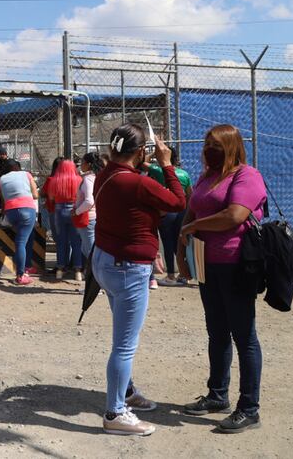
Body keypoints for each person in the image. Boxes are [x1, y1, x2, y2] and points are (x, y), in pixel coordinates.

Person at [92, 124, 185, 435]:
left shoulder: (106, 174)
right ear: (141, 151)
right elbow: (177, 201)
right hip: (128, 267)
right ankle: (115, 413)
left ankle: (126, 391)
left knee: (121, 335)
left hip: (106, 261)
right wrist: (167, 164)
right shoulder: (137, 183)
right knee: (124, 346)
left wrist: (145, 165)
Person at [178, 124, 268, 433]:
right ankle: (217, 396)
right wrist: (182, 249)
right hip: (206, 263)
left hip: (235, 265)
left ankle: (249, 407)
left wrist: (192, 227)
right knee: (216, 332)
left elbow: (234, 215)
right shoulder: (205, 177)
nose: (207, 150)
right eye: (206, 144)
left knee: (244, 336)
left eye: (214, 145)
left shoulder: (247, 176)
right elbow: (191, 211)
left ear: (231, 146)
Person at [147, 148, 193, 286]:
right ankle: (186, 274)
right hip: (183, 211)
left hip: (167, 210)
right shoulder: (184, 174)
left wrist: (154, 153)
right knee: (179, 242)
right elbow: (190, 194)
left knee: (167, 242)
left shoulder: (159, 171)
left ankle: (171, 275)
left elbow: (142, 162)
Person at [0, 159, 39, 285]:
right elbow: (35, 195)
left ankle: (26, 266)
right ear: (18, 167)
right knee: (21, 242)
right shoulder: (26, 174)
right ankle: (21, 274)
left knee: (25, 237)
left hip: (11, 212)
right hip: (27, 210)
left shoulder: (1, 180)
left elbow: (3, 201)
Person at [45, 157, 83, 281]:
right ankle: (78, 271)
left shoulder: (55, 180)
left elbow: (51, 197)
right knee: (76, 242)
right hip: (74, 210)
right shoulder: (79, 180)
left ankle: (60, 269)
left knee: (61, 241)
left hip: (59, 210)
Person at [74, 151, 104, 261]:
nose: (81, 164)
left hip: (88, 219)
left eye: (83, 162)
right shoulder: (99, 177)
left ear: (89, 164)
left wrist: (76, 211)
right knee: (89, 248)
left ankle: (95, 276)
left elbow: (89, 201)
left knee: (89, 250)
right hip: (97, 216)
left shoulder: (88, 179)